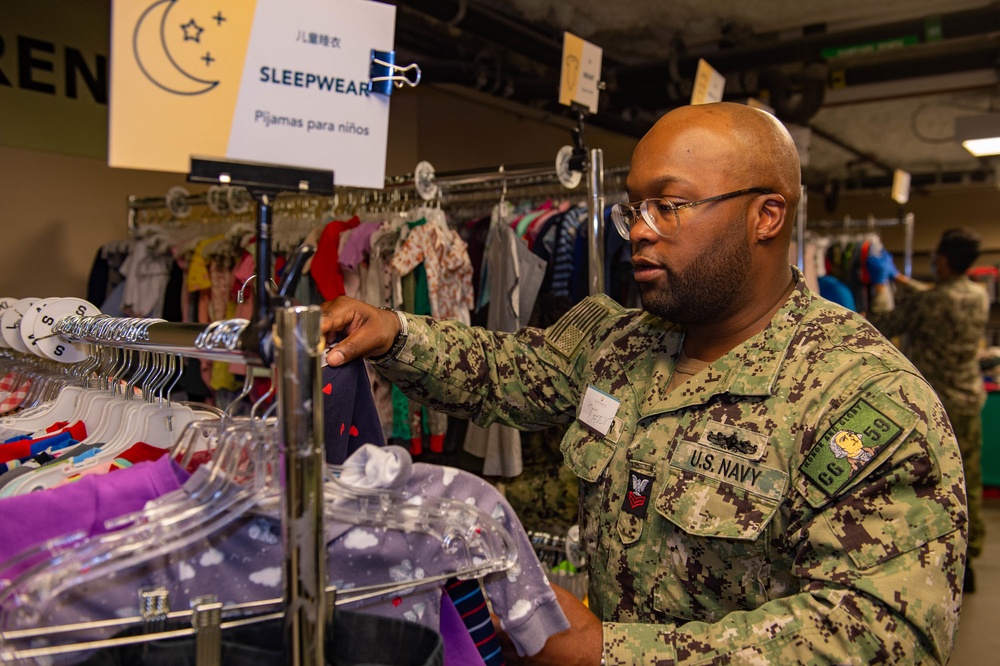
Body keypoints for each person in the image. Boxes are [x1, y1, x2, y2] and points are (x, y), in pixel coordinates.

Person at [321, 102, 967, 665]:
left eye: (670, 205)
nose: (638, 229)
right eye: (634, 206)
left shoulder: (861, 398)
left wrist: (609, 654)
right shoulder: (620, 340)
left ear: (766, 215)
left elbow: (881, 636)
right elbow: (502, 370)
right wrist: (395, 331)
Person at [866, 228, 988, 592]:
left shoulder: (930, 303)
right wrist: (901, 277)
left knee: (933, 485)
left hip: (937, 409)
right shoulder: (978, 296)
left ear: (945, 261)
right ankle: (972, 555)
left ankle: (941, 554)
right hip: (968, 399)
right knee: (971, 480)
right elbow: (935, 296)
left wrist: (881, 286)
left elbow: (884, 324)